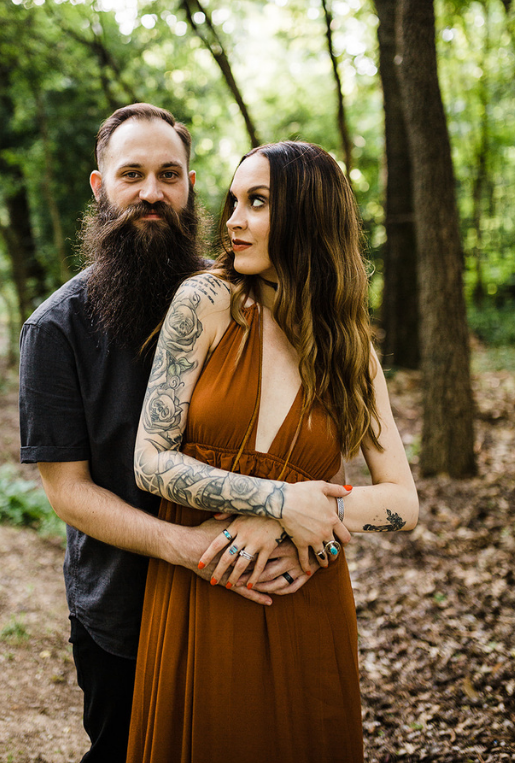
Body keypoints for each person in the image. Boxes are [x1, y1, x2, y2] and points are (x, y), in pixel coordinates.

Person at [20, 104, 313, 763]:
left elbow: (308, 436)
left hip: (248, 591)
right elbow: (68, 491)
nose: (152, 191)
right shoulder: (55, 329)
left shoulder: (251, 299)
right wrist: (189, 547)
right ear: (100, 188)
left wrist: (287, 531)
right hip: (122, 610)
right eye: (132, 174)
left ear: (189, 187)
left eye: (168, 174)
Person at [129, 141, 419, 762]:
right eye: (234, 200)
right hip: (205, 589)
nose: (232, 220)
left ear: (311, 216)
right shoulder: (205, 303)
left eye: (257, 202)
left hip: (302, 595)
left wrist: (289, 527)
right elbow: (150, 461)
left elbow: (403, 500)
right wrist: (280, 500)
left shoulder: (352, 355)